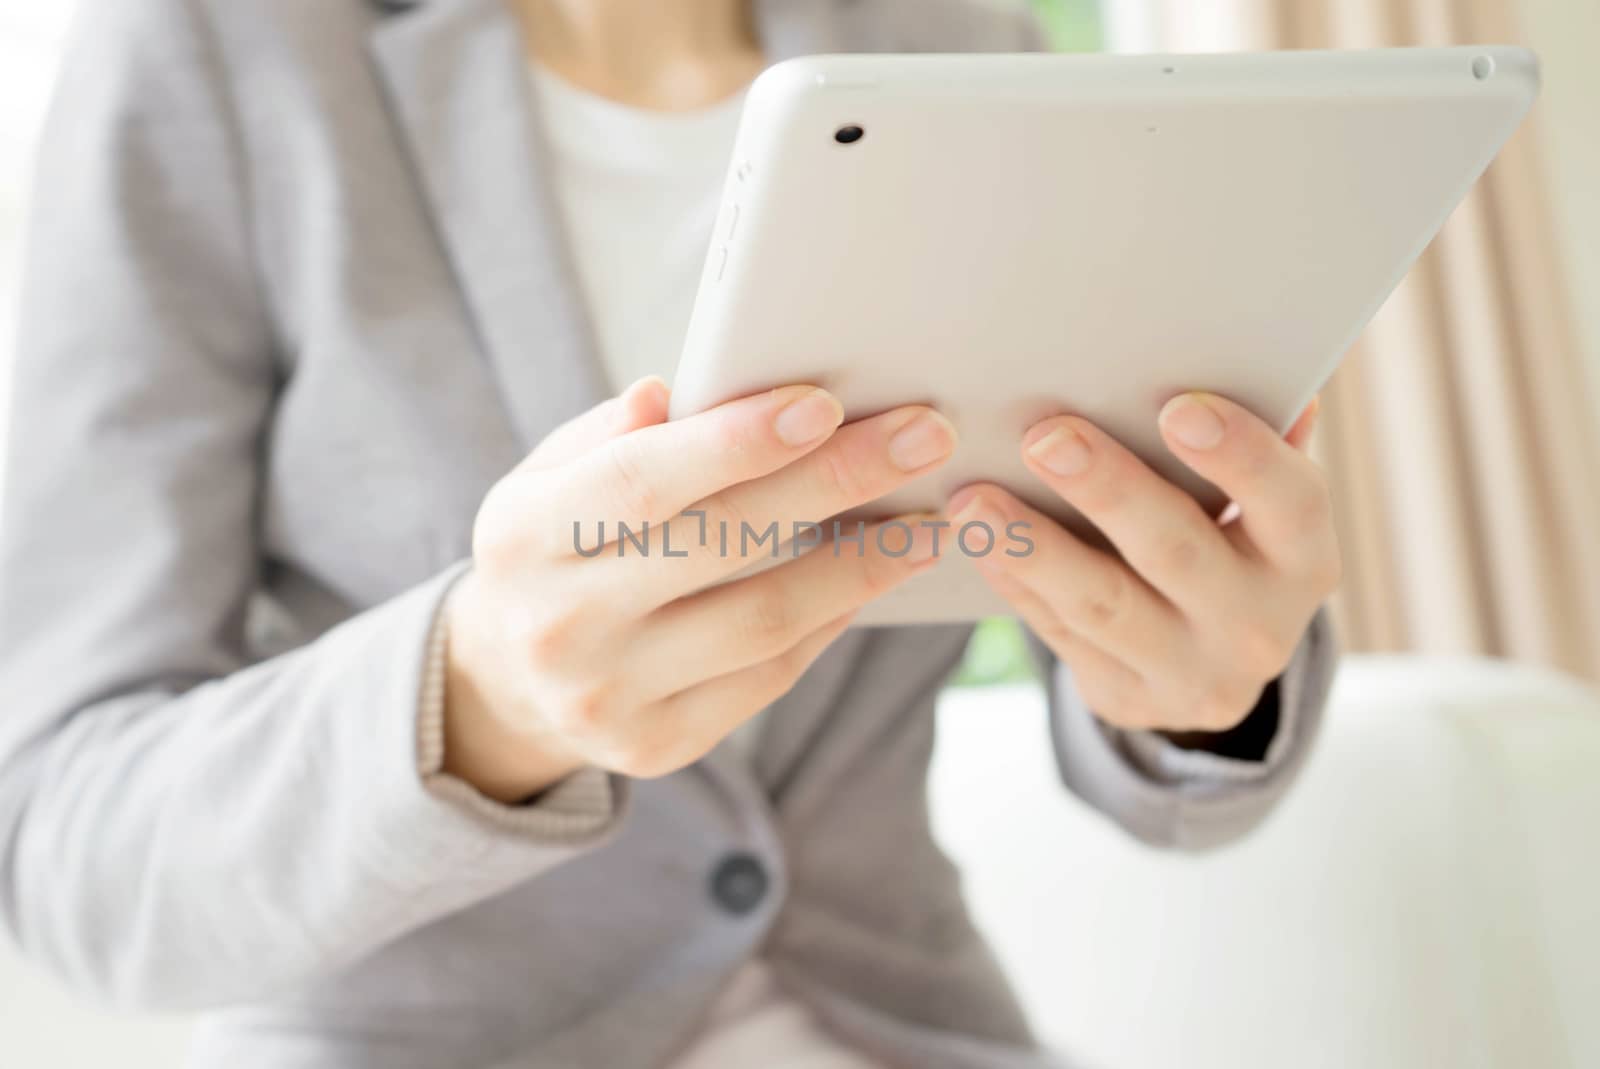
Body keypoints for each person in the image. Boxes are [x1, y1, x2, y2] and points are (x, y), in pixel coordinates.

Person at [0, 0, 1340, 1066]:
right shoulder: (213, 45)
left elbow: (1166, 753)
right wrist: (473, 698)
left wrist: (1205, 691)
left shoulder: (960, 46)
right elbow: (69, 844)